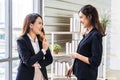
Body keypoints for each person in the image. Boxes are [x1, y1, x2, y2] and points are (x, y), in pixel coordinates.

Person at [66, 4, 105, 80]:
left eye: (81, 17)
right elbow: (85, 53)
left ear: (89, 17)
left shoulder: (95, 35)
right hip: (82, 75)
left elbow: (95, 61)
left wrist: (76, 55)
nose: (80, 21)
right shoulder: (88, 34)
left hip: (88, 76)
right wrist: (73, 66)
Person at [16, 13, 53, 80]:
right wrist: (43, 50)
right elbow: (28, 61)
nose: (42, 26)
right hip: (26, 76)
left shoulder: (41, 40)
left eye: (42, 23)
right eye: (39, 23)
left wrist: (38, 64)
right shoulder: (21, 41)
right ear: (31, 25)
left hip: (41, 74)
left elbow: (50, 59)